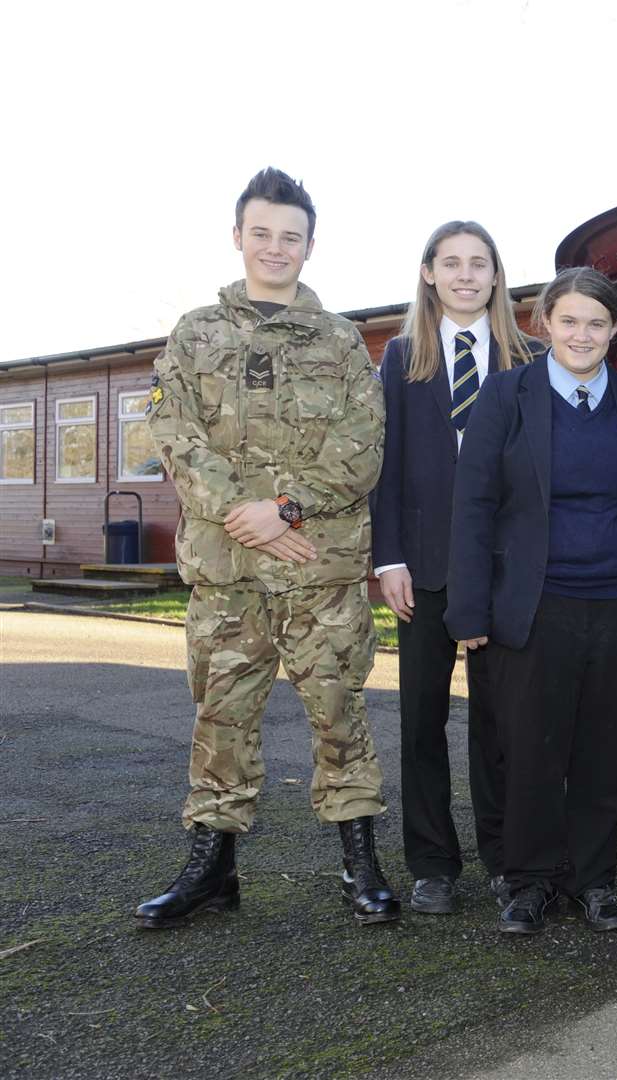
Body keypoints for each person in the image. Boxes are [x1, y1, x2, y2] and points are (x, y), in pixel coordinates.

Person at [137, 167, 399, 928]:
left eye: (290, 236)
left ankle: (361, 866)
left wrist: (283, 509)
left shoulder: (341, 341)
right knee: (220, 719)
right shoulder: (194, 333)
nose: (275, 248)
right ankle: (211, 871)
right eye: (262, 234)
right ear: (238, 238)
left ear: (309, 246)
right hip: (228, 572)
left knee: (339, 713)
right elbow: (171, 432)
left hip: (318, 568)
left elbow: (364, 445)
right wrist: (241, 513)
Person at [445, 268, 617, 935]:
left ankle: (594, 881)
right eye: (569, 320)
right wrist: (468, 611)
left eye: (597, 323)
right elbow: (474, 506)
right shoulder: (505, 395)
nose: (582, 335)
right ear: (544, 323)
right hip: (534, 604)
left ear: (614, 331)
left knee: (604, 755)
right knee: (530, 751)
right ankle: (528, 883)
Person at [372, 221, 538, 914]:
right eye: (452, 263)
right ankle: (433, 864)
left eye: (479, 263)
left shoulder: (526, 358)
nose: (466, 274)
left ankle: (504, 857)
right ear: (429, 274)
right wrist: (389, 560)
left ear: (497, 276)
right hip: (426, 569)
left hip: (502, 572)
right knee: (422, 722)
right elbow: (386, 469)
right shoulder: (401, 358)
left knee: (500, 723)